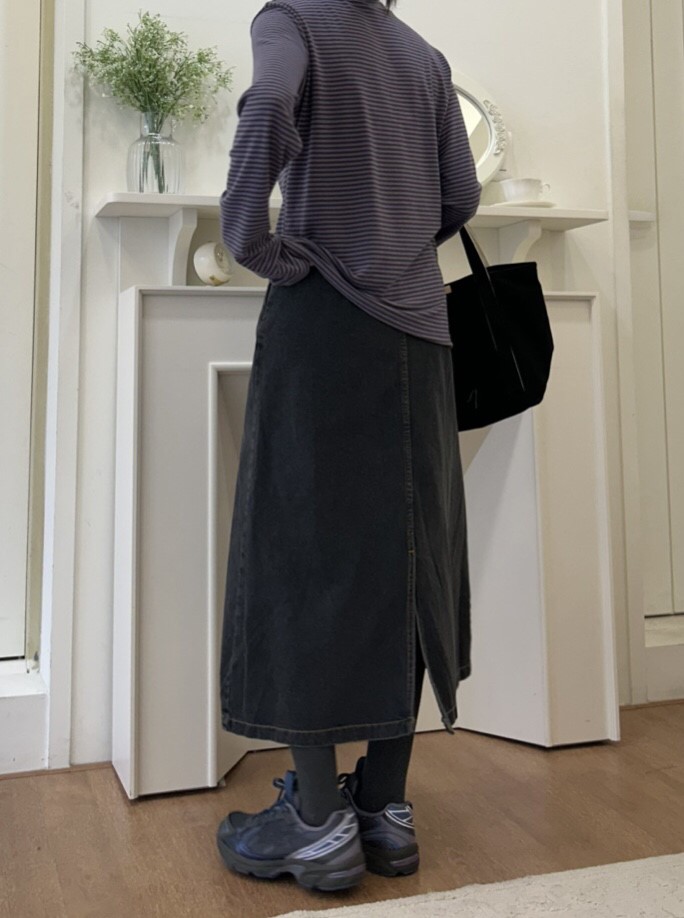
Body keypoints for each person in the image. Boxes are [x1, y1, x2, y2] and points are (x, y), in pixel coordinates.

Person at [215, 0, 481, 893]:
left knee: (305, 558)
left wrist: (253, 240)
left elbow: (267, 105)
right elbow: (461, 196)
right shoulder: (422, 55)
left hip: (326, 327)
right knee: (409, 563)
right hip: (423, 335)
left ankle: (319, 820)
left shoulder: (291, 19)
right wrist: (396, 252)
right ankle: (387, 811)